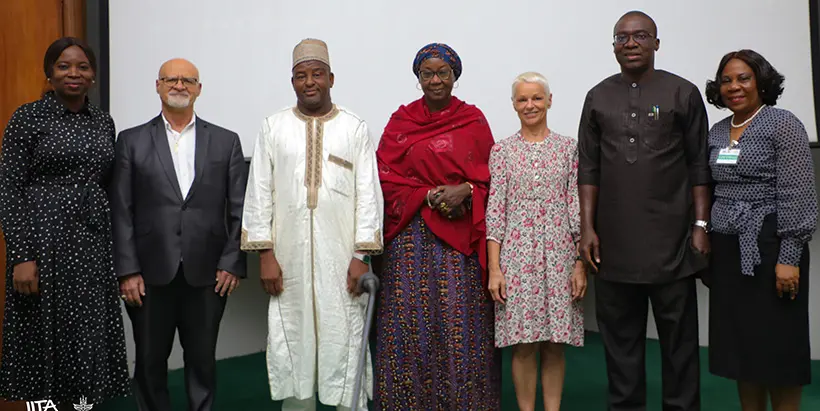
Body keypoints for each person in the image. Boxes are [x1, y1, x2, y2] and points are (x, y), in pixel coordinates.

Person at [577, 11, 711, 411]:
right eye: (622, 37)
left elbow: (699, 164)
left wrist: (700, 225)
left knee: (679, 347)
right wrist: (587, 227)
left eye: (639, 36)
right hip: (613, 246)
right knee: (620, 347)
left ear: (656, 43)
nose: (630, 43)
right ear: (613, 46)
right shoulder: (598, 96)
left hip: (672, 243)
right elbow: (588, 168)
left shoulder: (682, 93)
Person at [241, 38, 383, 411]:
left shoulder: (354, 127)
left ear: (331, 78)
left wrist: (361, 256)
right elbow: (259, 193)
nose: (309, 82)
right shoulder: (273, 127)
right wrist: (266, 255)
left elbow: (369, 195)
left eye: (316, 74)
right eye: (301, 76)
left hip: (342, 261)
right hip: (288, 260)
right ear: (293, 82)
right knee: (294, 339)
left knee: (345, 336)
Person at [0, 37, 130, 408]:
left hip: (91, 244)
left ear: (93, 77)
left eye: (82, 67)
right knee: (43, 337)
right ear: (49, 74)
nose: (74, 73)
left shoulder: (104, 121)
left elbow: (107, 184)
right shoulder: (27, 118)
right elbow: (9, 188)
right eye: (64, 66)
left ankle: (84, 407)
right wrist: (22, 255)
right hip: (43, 243)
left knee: (86, 334)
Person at [110, 58, 247, 411]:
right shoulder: (131, 141)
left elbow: (239, 209)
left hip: (208, 275)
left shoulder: (226, 141)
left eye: (188, 80)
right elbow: (121, 210)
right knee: (150, 363)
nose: (180, 85)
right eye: (172, 79)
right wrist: (127, 270)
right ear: (157, 85)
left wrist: (232, 262)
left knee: (202, 362)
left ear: (199, 88)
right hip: (148, 275)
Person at [374, 42, 501, 411]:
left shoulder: (473, 120)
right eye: (427, 73)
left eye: (443, 72)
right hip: (411, 239)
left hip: (460, 240)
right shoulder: (401, 121)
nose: (435, 80)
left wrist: (467, 190)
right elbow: (384, 177)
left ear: (454, 76)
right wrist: (428, 196)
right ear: (418, 78)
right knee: (409, 327)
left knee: (461, 326)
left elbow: (495, 179)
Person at [704, 49, 817, 411]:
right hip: (728, 252)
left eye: (743, 78)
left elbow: (797, 192)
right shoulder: (718, 131)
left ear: (762, 82)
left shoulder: (783, 123)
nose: (734, 86)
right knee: (743, 350)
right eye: (726, 80)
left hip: (771, 247)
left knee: (779, 351)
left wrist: (789, 257)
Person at [486, 71, 586, 411]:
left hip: (559, 254)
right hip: (516, 257)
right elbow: (495, 211)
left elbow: (576, 208)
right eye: (523, 99)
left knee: (554, 343)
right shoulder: (501, 151)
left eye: (536, 98)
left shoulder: (569, 148)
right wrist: (495, 269)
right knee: (524, 344)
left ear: (549, 100)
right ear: (514, 105)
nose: (530, 105)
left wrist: (579, 264)